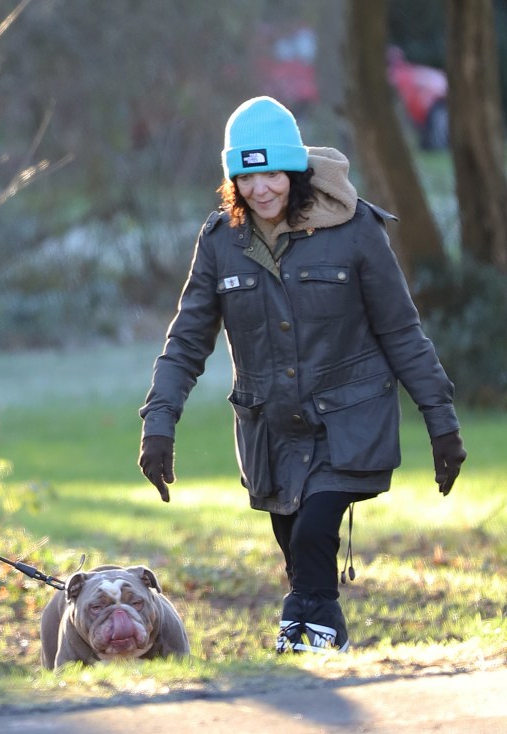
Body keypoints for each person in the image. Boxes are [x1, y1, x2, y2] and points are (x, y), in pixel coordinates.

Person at [137, 96, 466, 654]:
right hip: (272, 430)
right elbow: (187, 341)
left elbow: (401, 332)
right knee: (297, 545)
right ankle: (319, 638)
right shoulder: (221, 242)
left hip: (348, 419)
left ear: (293, 168)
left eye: (270, 173)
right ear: (231, 180)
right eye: (245, 175)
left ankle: (300, 625)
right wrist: (159, 423)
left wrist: (441, 420)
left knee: (315, 530)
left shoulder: (356, 230)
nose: (260, 189)